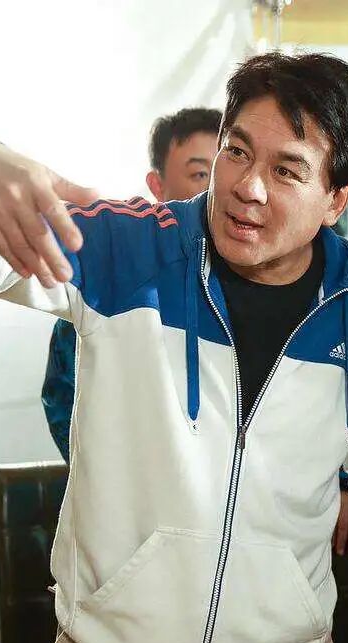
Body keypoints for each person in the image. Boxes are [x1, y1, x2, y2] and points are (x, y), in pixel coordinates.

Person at [0, 52, 348, 643]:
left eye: (286, 171)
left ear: (336, 198)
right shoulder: (129, 250)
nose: (248, 187)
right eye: (236, 152)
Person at [42, 106, 223, 463]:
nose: (216, 189)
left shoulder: (259, 274)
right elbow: (63, 399)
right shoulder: (112, 275)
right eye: (200, 174)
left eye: (226, 168)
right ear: (157, 185)